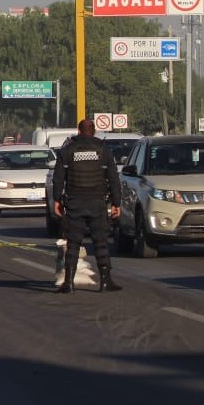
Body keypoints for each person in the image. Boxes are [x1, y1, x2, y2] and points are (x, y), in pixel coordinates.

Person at [52, 118, 123, 294]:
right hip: (97, 202)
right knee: (101, 242)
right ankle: (105, 281)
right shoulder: (103, 150)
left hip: (74, 202)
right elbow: (113, 178)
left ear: (78, 131)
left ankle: (69, 283)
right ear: (94, 131)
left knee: (73, 243)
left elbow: (58, 178)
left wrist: (57, 200)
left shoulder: (67, 151)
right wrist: (116, 203)